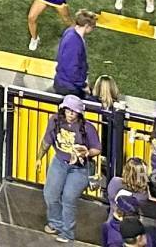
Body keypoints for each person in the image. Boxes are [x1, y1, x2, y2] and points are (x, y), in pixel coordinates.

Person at [39, 96, 99, 244]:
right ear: (63, 109)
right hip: (59, 162)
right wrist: (38, 158)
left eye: (75, 111)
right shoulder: (54, 121)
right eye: (68, 110)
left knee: (68, 198)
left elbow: (97, 149)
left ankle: (67, 233)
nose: (71, 114)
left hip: (79, 168)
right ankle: (55, 223)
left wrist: (86, 153)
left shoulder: (88, 128)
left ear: (79, 113)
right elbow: (47, 141)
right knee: (50, 194)